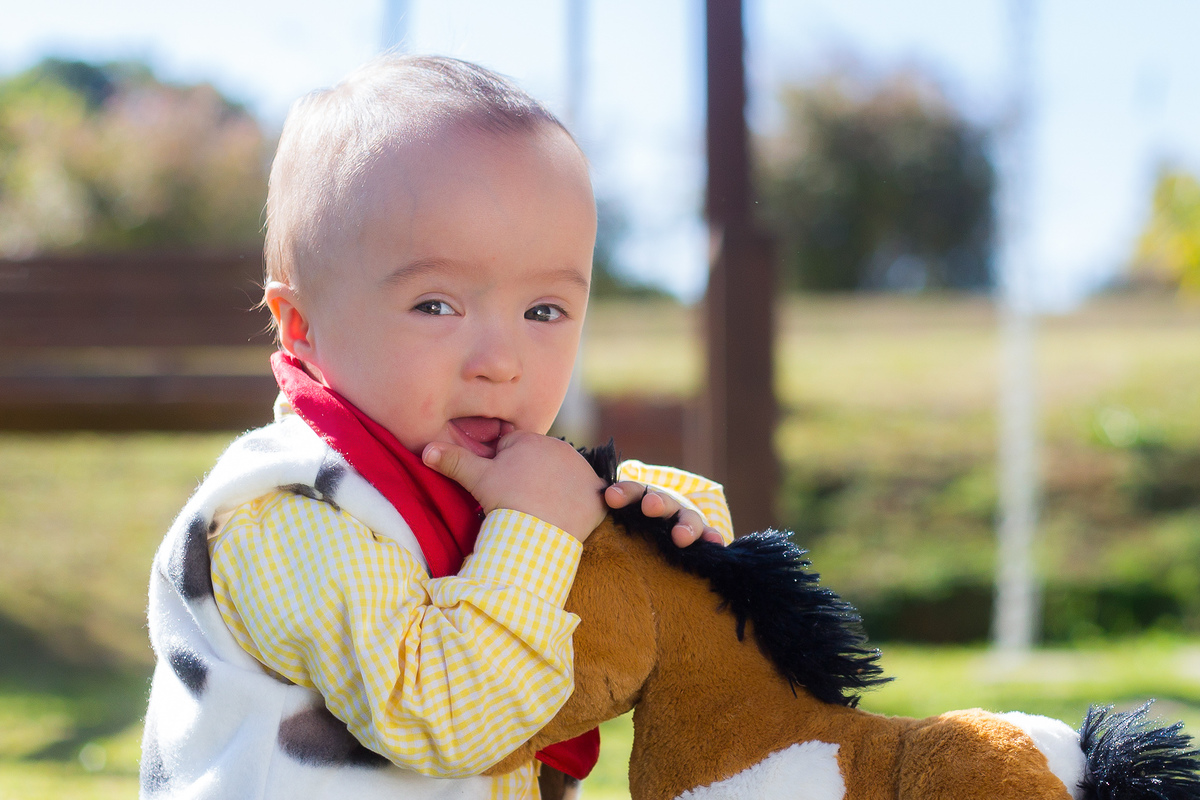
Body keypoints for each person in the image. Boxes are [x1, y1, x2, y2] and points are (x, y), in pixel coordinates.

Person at [140, 55, 732, 800]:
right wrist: (540, 525)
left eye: (543, 311)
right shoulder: (282, 513)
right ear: (302, 325)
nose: (500, 361)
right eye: (436, 306)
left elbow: (616, 637)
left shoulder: (491, 490)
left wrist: (650, 546)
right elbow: (445, 718)